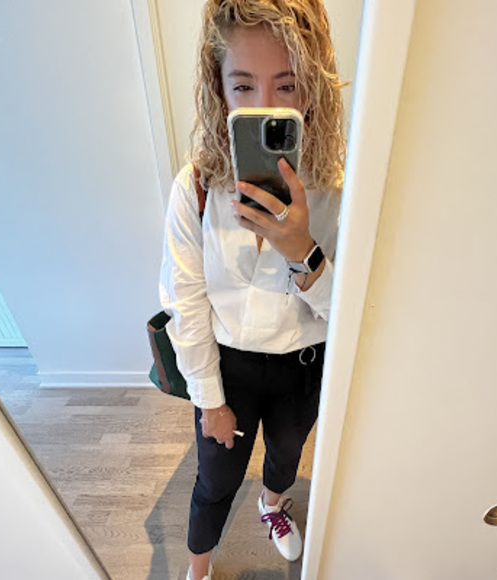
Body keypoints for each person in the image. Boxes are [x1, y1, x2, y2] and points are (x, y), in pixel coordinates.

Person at [159, 1, 346, 579]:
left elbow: (352, 316)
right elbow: (185, 303)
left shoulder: (340, 189)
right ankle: (198, 568)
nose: (265, 105)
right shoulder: (196, 187)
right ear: (219, 89)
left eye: (286, 85)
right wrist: (210, 401)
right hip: (228, 367)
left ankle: (271, 505)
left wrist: (302, 249)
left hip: (302, 365)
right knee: (214, 481)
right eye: (244, 85)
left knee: (285, 460)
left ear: (312, 87)